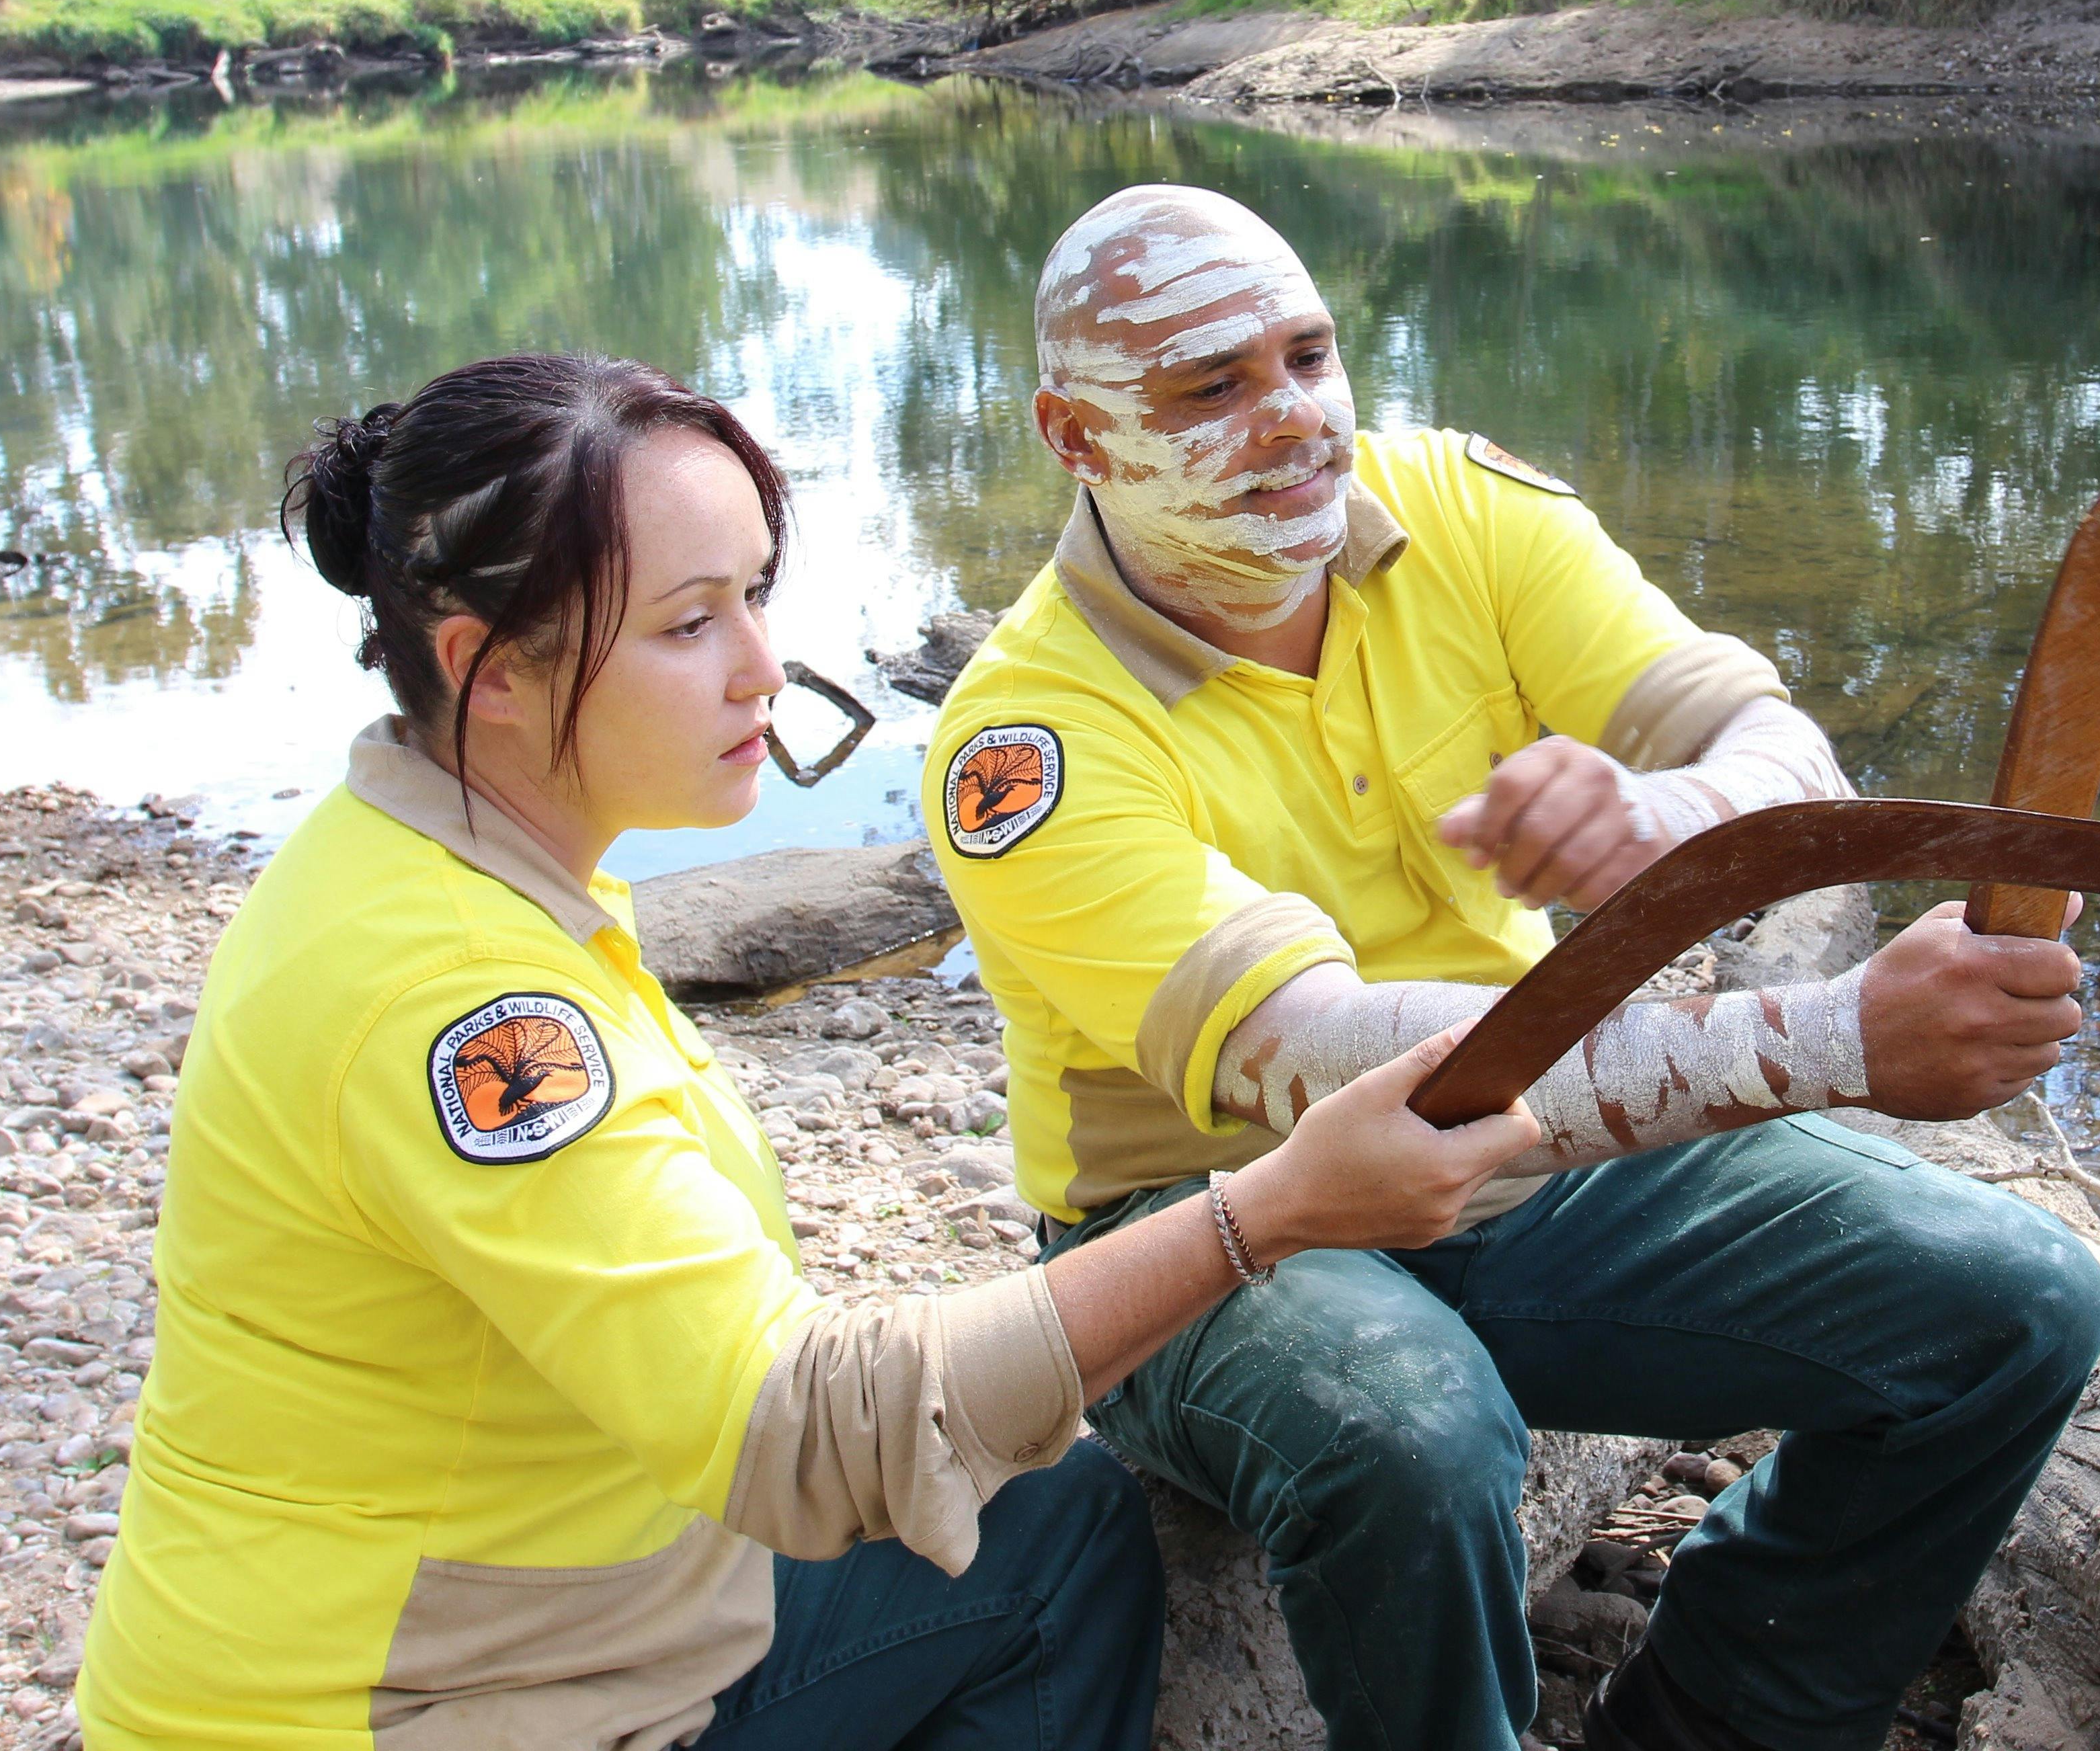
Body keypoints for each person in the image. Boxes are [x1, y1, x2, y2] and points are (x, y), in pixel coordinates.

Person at [78, 353, 1539, 1751]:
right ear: (488, 670)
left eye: (757, 597)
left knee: (1054, 1526)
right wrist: (1268, 1212)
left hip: (510, 1620)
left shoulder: (421, 856)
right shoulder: (462, 1000)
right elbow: (800, 1434)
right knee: (1032, 1551)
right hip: (407, 1715)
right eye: (687, 623)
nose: (763, 671)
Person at [924, 188, 2100, 1751]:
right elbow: (1326, 1058)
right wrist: (1835, 1039)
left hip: (1545, 1153)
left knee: (2018, 1304)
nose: (1292, 419)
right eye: (1210, 387)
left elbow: (1781, 756)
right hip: (1215, 1226)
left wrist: (1663, 816)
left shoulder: (1464, 511)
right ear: (1075, 436)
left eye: (1309, 354)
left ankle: (1718, 1724)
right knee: (1410, 1434)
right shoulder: (1027, 742)